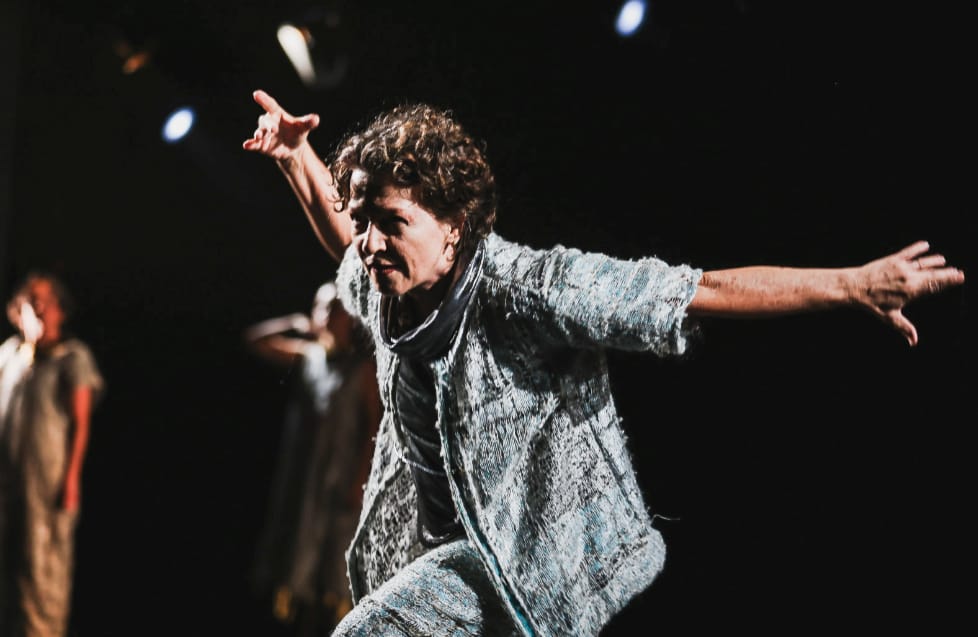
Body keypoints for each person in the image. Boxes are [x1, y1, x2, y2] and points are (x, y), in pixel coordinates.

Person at [242, 89, 965, 637]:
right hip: (450, 555)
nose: (370, 244)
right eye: (366, 221)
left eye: (392, 223)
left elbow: (696, 290)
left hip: (539, 559)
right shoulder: (385, 287)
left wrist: (851, 284)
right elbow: (342, 241)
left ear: (454, 226)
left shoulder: (526, 289)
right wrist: (296, 157)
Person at [245, 280, 382, 635]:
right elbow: (256, 341)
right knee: (297, 556)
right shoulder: (310, 357)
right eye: (320, 307)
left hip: (343, 479)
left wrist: (361, 479)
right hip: (308, 477)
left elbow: (375, 424)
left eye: (333, 308)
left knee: (335, 569)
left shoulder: (363, 369)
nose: (324, 315)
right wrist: (293, 322)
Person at [0, 271, 104, 637]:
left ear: (60, 310)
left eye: (48, 302)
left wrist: (71, 479)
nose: (41, 310)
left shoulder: (72, 358)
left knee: (42, 570)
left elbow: (81, 423)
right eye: (33, 302)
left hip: (47, 482)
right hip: (8, 481)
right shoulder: (9, 355)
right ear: (18, 311)